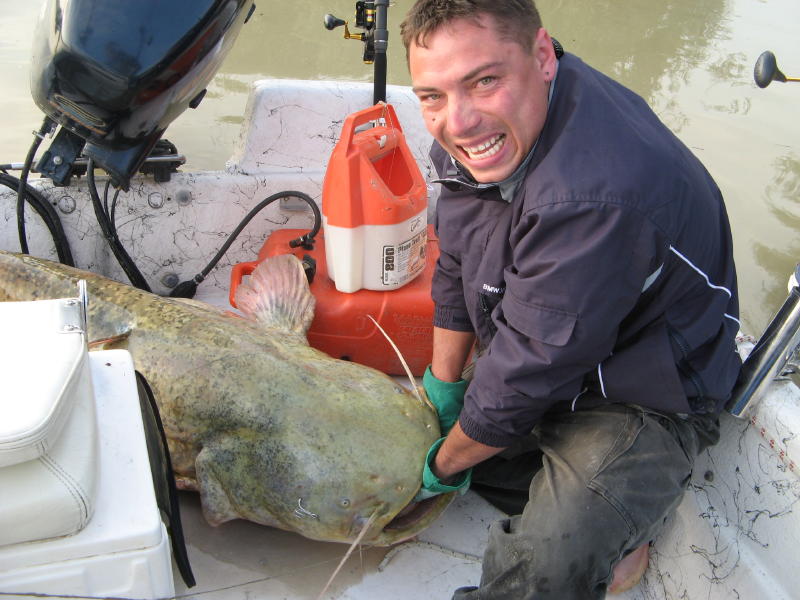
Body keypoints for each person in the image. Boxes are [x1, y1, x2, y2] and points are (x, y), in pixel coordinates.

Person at [400, 1, 741, 598]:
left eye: (484, 81)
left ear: (541, 54)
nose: (459, 122)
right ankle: (601, 508)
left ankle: (618, 524)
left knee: (551, 559)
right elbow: (456, 258)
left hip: (645, 387)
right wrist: (444, 387)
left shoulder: (592, 196)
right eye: (433, 96)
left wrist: (440, 469)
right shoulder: (486, 135)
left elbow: (527, 374)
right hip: (551, 337)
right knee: (443, 436)